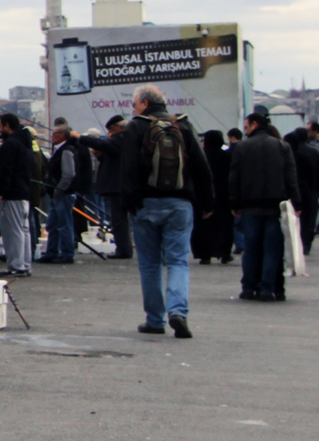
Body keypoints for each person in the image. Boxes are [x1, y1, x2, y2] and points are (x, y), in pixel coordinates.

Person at [120, 83, 213, 338]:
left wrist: (131, 204)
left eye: (135, 103)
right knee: (178, 261)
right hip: (180, 204)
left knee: (149, 265)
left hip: (146, 204)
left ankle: (154, 320)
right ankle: (178, 311)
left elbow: (127, 168)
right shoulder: (182, 125)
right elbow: (201, 166)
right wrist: (207, 203)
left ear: (145, 104)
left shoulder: (136, 127)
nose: (133, 107)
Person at [228, 113, 299, 302]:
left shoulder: (242, 147)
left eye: (246, 125)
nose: (245, 129)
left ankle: (249, 288)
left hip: (250, 206)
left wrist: (234, 203)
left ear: (254, 124)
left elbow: (234, 178)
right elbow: (290, 178)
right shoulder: (282, 146)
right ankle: (267, 289)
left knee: (251, 248)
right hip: (275, 205)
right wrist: (296, 203)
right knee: (272, 248)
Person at [75, 115, 133, 259]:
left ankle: (123, 250)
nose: (110, 134)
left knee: (119, 219)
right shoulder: (121, 140)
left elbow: (103, 144)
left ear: (117, 127)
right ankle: (123, 248)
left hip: (117, 186)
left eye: (111, 130)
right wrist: (100, 155)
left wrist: (79, 137)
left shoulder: (122, 138)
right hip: (118, 186)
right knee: (119, 219)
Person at [0, 112, 36, 278]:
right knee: (24, 230)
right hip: (24, 192)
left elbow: (5, 170)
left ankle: (16, 265)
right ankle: (24, 264)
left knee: (13, 230)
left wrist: (0, 192)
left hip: (12, 194)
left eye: (0, 126)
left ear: (7, 126)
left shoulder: (10, 145)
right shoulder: (25, 143)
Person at [39, 119, 83, 264]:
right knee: (53, 224)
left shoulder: (66, 151)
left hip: (62, 194)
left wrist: (59, 188)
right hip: (56, 193)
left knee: (64, 225)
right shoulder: (60, 150)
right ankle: (52, 252)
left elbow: (69, 173)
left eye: (55, 133)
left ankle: (66, 253)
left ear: (63, 135)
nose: (52, 136)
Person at [191, 129, 235, 264]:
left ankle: (205, 254)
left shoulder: (200, 157)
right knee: (225, 225)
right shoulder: (228, 156)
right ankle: (224, 253)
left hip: (203, 196)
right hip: (224, 196)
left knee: (203, 226)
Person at [283, 127, 319, 256]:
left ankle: (294, 244)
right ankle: (306, 244)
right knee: (309, 220)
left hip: (293, 190)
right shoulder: (314, 152)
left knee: (292, 218)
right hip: (311, 190)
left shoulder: (289, 152)